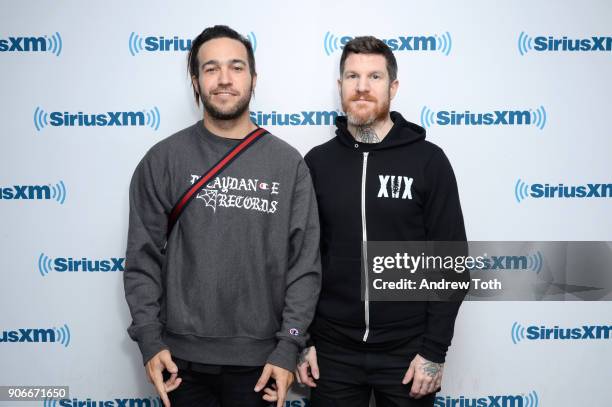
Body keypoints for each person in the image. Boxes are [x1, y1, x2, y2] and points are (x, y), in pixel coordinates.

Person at [123, 25, 321, 407]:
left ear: (253, 78)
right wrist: (149, 339)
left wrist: (288, 347)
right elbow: (142, 259)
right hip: (180, 365)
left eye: (236, 67)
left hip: (262, 365)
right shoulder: (163, 160)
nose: (225, 79)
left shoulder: (287, 163)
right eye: (211, 69)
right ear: (195, 81)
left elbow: (305, 266)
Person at [299, 36, 466, 407]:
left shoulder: (428, 161)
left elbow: (451, 264)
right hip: (332, 353)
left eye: (374, 76)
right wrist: (303, 341)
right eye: (351, 76)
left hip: (408, 353)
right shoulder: (317, 163)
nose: (361, 87)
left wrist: (434, 351)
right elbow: (301, 261)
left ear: (392, 87)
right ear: (339, 85)